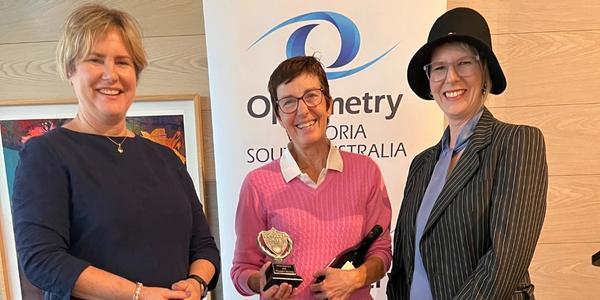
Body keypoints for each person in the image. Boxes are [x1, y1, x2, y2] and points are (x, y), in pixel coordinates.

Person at [11, 4, 220, 300]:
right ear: (70, 70)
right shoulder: (46, 154)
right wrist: (138, 294)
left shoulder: (166, 159)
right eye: (96, 60)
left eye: (123, 62)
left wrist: (197, 282)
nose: (111, 75)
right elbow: (42, 261)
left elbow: (203, 246)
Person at [386, 7, 548, 300]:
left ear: (484, 71)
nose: (451, 78)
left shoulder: (517, 142)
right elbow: (405, 266)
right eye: (439, 68)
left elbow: (504, 261)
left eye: (464, 63)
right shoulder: (422, 164)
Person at [231, 56, 392, 299]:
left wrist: (355, 278)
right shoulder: (257, 183)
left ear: (329, 104)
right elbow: (242, 269)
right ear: (278, 115)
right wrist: (260, 281)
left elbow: (381, 252)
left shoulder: (366, 171)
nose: (302, 110)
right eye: (288, 102)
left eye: (311, 96)